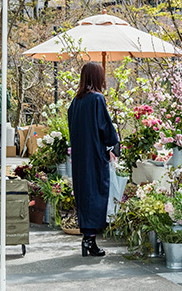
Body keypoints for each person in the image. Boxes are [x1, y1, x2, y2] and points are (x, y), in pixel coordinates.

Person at [67, 62, 119, 257]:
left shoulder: (76, 102)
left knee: (85, 195)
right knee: (97, 194)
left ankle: (88, 240)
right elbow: (105, 128)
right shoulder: (97, 99)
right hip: (95, 155)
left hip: (81, 157)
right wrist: (113, 146)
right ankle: (89, 240)